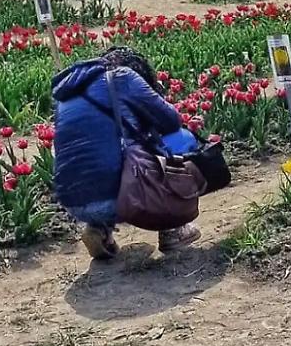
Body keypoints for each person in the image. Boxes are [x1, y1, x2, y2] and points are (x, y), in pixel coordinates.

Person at [52, 47, 202, 259]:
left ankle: (98, 229)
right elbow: (171, 121)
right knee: (182, 139)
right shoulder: (124, 77)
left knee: (96, 155)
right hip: (126, 198)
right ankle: (172, 228)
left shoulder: (66, 96)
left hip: (73, 203)